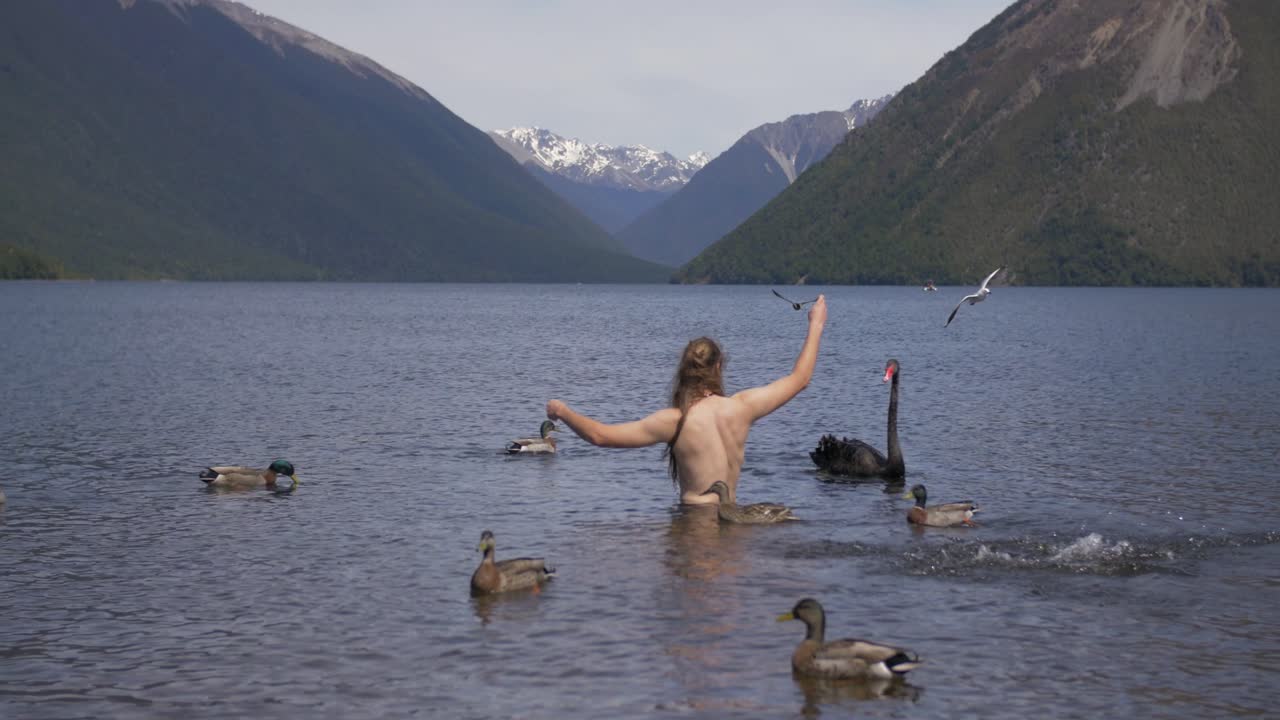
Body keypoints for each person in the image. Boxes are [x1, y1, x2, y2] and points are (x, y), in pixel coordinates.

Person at [545, 295, 826, 505]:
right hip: (732, 524)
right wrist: (816, 324)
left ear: (684, 371)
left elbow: (600, 436)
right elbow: (800, 379)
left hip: (693, 525)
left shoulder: (675, 421)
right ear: (718, 367)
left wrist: (562, 410)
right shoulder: (742, 408)